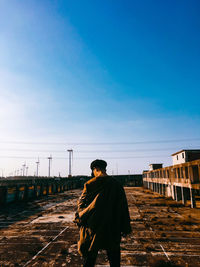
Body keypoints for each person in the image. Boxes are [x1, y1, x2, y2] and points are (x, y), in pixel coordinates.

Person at [74, 159, 132, 267]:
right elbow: (123, 208)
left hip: (93, 228)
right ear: (105, 169)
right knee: (114, 259)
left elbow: (81, 206)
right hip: (112, 228)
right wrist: (125, 228)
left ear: (95, 169)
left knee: (89, 259)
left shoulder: (89, 185)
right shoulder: (117, 185)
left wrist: (80, 219)